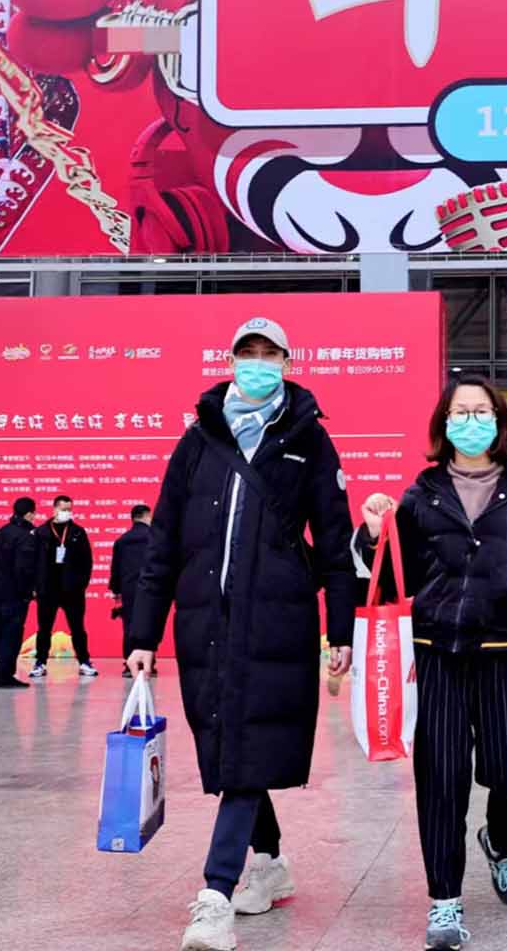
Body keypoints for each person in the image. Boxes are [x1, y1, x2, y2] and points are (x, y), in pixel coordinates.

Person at [123, 316, 358, 951]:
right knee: (230, 747)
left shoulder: (308, 440)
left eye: (269, 353)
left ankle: (215, 895)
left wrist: (342, 631)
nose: (257, 362)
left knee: (245, 753)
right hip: (204, 625)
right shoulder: (199, 438)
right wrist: (142, 633)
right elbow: (164, 540)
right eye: (246, 352)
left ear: (287, 359)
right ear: (231, 360)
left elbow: (336, 546)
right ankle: (272, 861)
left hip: (278, 621)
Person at [356, 377, 507, 951]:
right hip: (437, 651)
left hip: (503, 650)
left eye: (481, 411)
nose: (470, 420)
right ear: (443, 424)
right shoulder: (421, 494)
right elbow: (393, 571)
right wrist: (374, 534)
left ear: (499, 422)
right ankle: (445, 900)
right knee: (441, 778)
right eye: (459, 411)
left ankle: (499, 840)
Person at [31, 494, 97, 678]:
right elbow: (33, 562)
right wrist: (36, 586)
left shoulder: (77, 532)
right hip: (48, 589)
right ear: (54, 509)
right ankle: (40, 662)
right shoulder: (41, 532)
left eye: (69, 509)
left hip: (72, 591)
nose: (67, 512)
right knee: (44, 629)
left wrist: (81, 584)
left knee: (77, 628)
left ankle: (84, 661)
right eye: (63, 509)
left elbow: (87, 561)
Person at [0, 497, 41, 689]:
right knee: (11, 635)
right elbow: (23, 570)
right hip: (13, 595)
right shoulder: (26, 537)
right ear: (29, 514)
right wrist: (28, 593)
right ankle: (5, 675)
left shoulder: (0, 533)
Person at [110, 504, 155, 678]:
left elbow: (116, 568)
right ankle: (149, 663)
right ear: (146, 516)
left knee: (129, 626)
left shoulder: (122, 540)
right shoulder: (153, 537)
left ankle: (129, 664)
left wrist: (116, 590)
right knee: (149, 623)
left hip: (128, 589)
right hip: (150, 587)